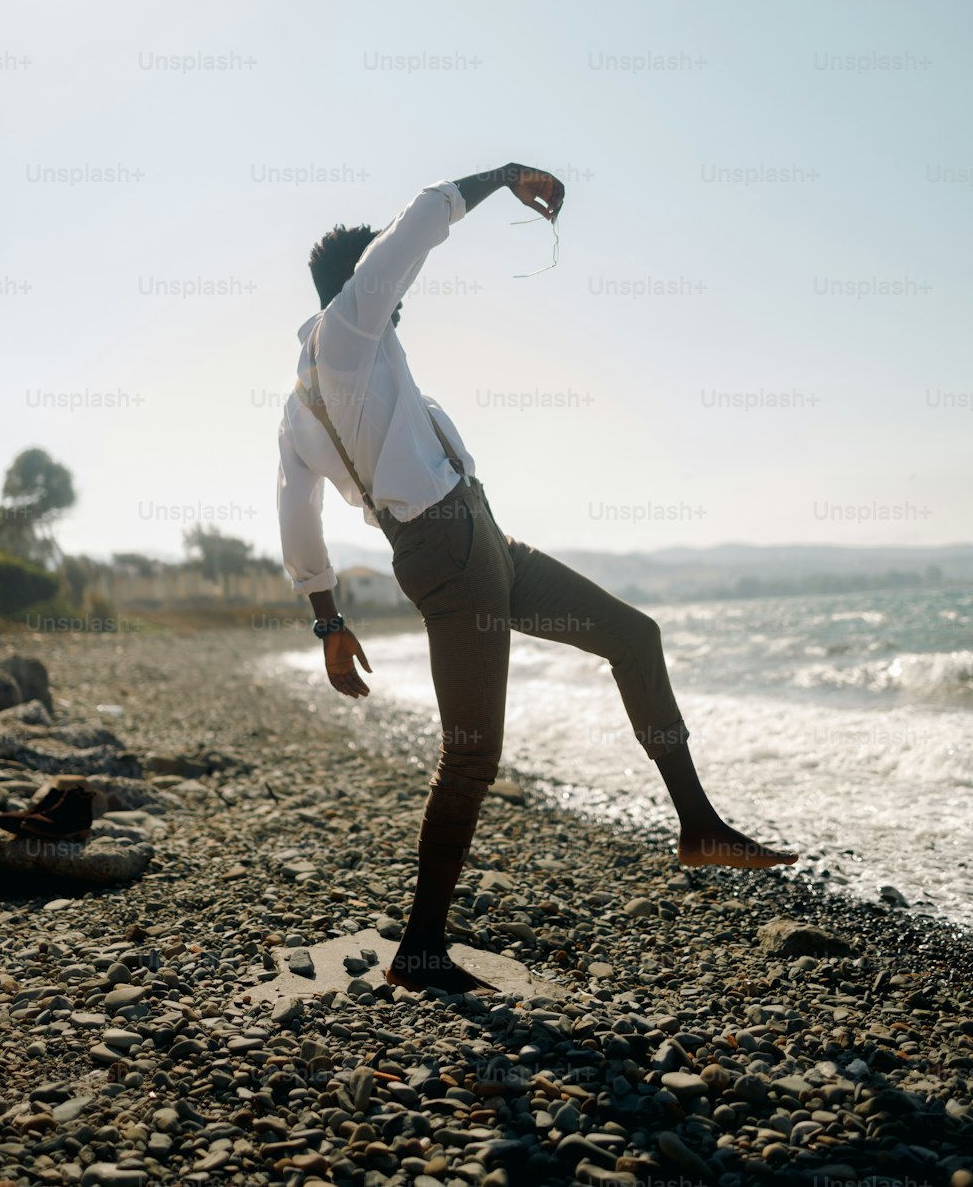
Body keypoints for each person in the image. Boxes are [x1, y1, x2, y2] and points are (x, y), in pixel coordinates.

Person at [277, 164, 797, 995]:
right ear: (357, 284)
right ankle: (419, 949)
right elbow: (421, 218)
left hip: (486, 542)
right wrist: (507, 174)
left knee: (636, 637)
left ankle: (700, 827)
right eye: (386, 285)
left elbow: (293, 509)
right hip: (446, 551)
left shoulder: (311, 393)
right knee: (472, 757)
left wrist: (327, 620)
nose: (400, 298)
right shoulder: (348, 329)